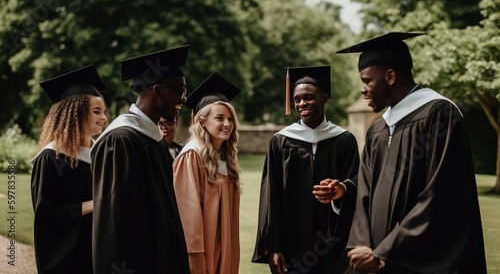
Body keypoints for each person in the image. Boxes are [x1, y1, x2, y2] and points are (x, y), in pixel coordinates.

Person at [335, 32, 487, 273]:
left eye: (367, 81)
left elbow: (441, 195)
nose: (363, 90)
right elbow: (365, 192)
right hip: (373, 259)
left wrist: (384, 254)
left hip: (423, 260)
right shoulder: (378, 129)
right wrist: (361, 244)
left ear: (391, 76)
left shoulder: (439, 115)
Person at [90, 46, 190, 274]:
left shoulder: (152, 138)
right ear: (157, 90)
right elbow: (117, 224)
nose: (183, 99)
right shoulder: (121, 140)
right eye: (179, 90)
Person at [252, 65, 360, 274]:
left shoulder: (345, 141)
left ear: (325, 98)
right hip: (291, 242)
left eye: (309, 97)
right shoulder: (281, 142)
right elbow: (270, 196)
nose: (302, 103)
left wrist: (342, 190)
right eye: (297, 99)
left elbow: (357, 184)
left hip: (333, 240)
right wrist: (274, 247)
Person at [31, 65, 107, 274]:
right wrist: (96, 204)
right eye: (96, 111)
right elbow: (47, 214)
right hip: (72, 255)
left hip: (101, 248)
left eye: (104, 111)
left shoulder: (101, 155)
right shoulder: (51, 158)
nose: (104, 118)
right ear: (75, 113)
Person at [173, 72, 242, 274]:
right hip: (202, 249)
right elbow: (187, 210)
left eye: (230, 118)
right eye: (219, 118)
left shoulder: (225, 157)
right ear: (202, 121)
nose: (227, 124)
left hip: (225, 244)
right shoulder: (192, 155)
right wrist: (194, 254)